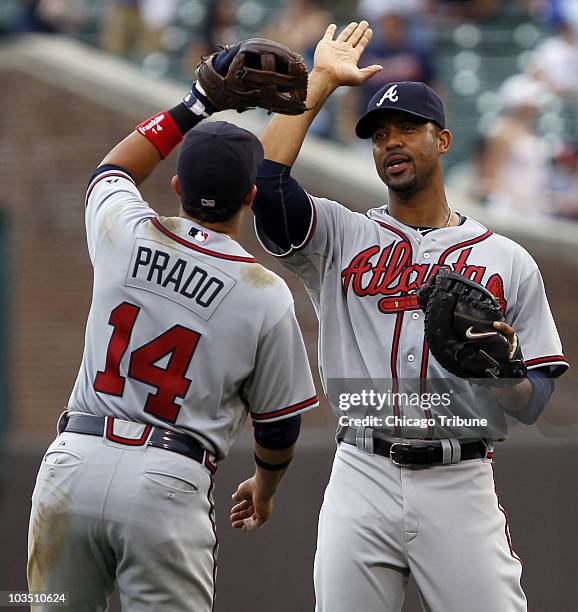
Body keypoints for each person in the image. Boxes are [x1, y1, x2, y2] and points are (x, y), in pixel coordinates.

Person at [245, 20, 568, 611]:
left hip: (460, 476)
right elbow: (265, 185)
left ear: (441, 140)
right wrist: (315, 86)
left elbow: (536, 401)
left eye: (408, 128)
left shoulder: (506, 259)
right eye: (379, 134)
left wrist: (506, 376)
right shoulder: (342, 234)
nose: (391, 141)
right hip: (361, 471)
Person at [27, 77, 318, 610]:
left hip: (73, 462)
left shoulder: (126, 231)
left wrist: (197, 103)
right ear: (250, 198)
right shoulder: (264, 293)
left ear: (178, 187)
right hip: (167, 477)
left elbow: (113, 171)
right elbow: (279, 428)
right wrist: (265, 487)